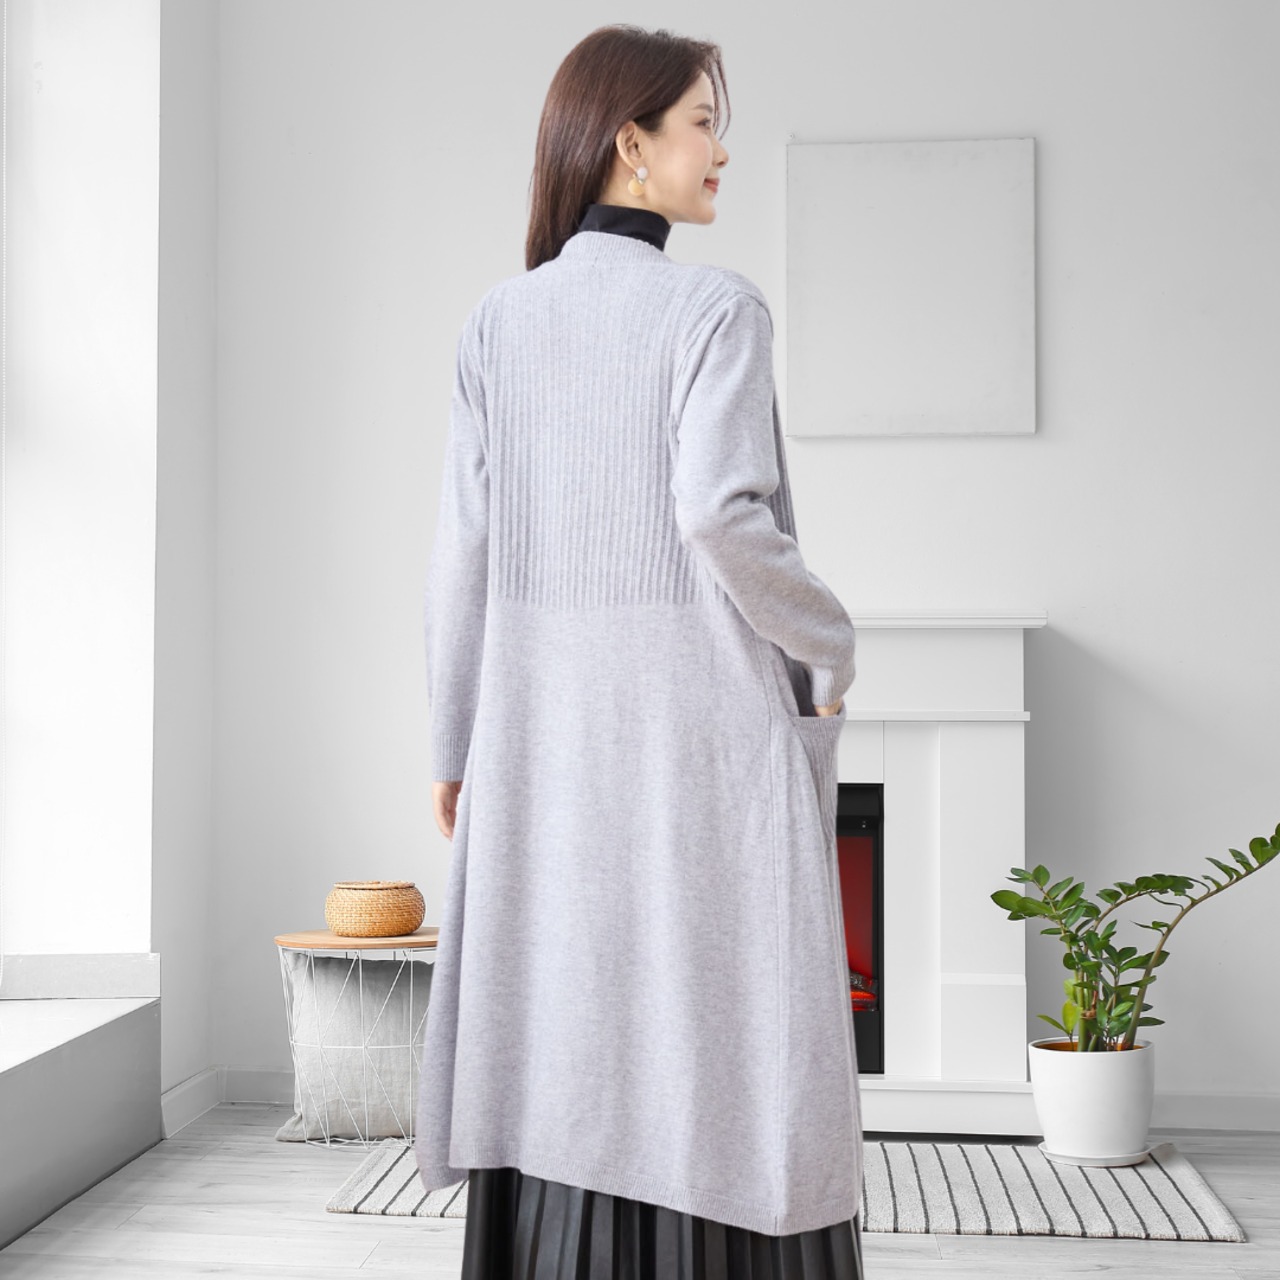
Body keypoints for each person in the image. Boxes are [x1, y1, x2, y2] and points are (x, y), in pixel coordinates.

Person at [414, 23, 865, 1279]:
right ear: (629, 140)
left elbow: (460, 553)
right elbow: (719, 515)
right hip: (698, 726)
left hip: (538, 733)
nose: (721, 149)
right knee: (715, 1024)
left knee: (566, 1012)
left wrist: (452, 741)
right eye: (703, 122)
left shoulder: (497, 322)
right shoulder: (715, 309)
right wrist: (830, 640)